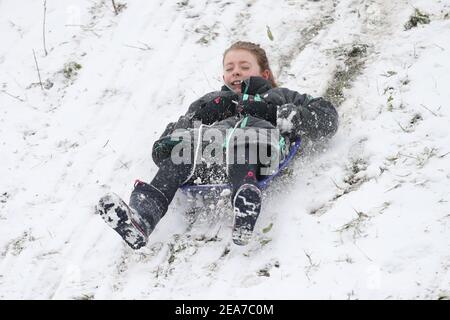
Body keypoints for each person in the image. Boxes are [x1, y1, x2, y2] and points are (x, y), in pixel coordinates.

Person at [96, 41, 338, 249]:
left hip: (256, 148)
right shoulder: (212, 99)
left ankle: (245, 203)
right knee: (181, 154)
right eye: (229, 68)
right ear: (223, 76)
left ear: (264, 74)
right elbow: (175, 134)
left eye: (244, 67)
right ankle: (143, 218)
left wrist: (278, 114)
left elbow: (327, 115)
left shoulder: (278, 96)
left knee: (244, 144)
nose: (236, 73)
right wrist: (201, 116)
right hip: (209, 154)